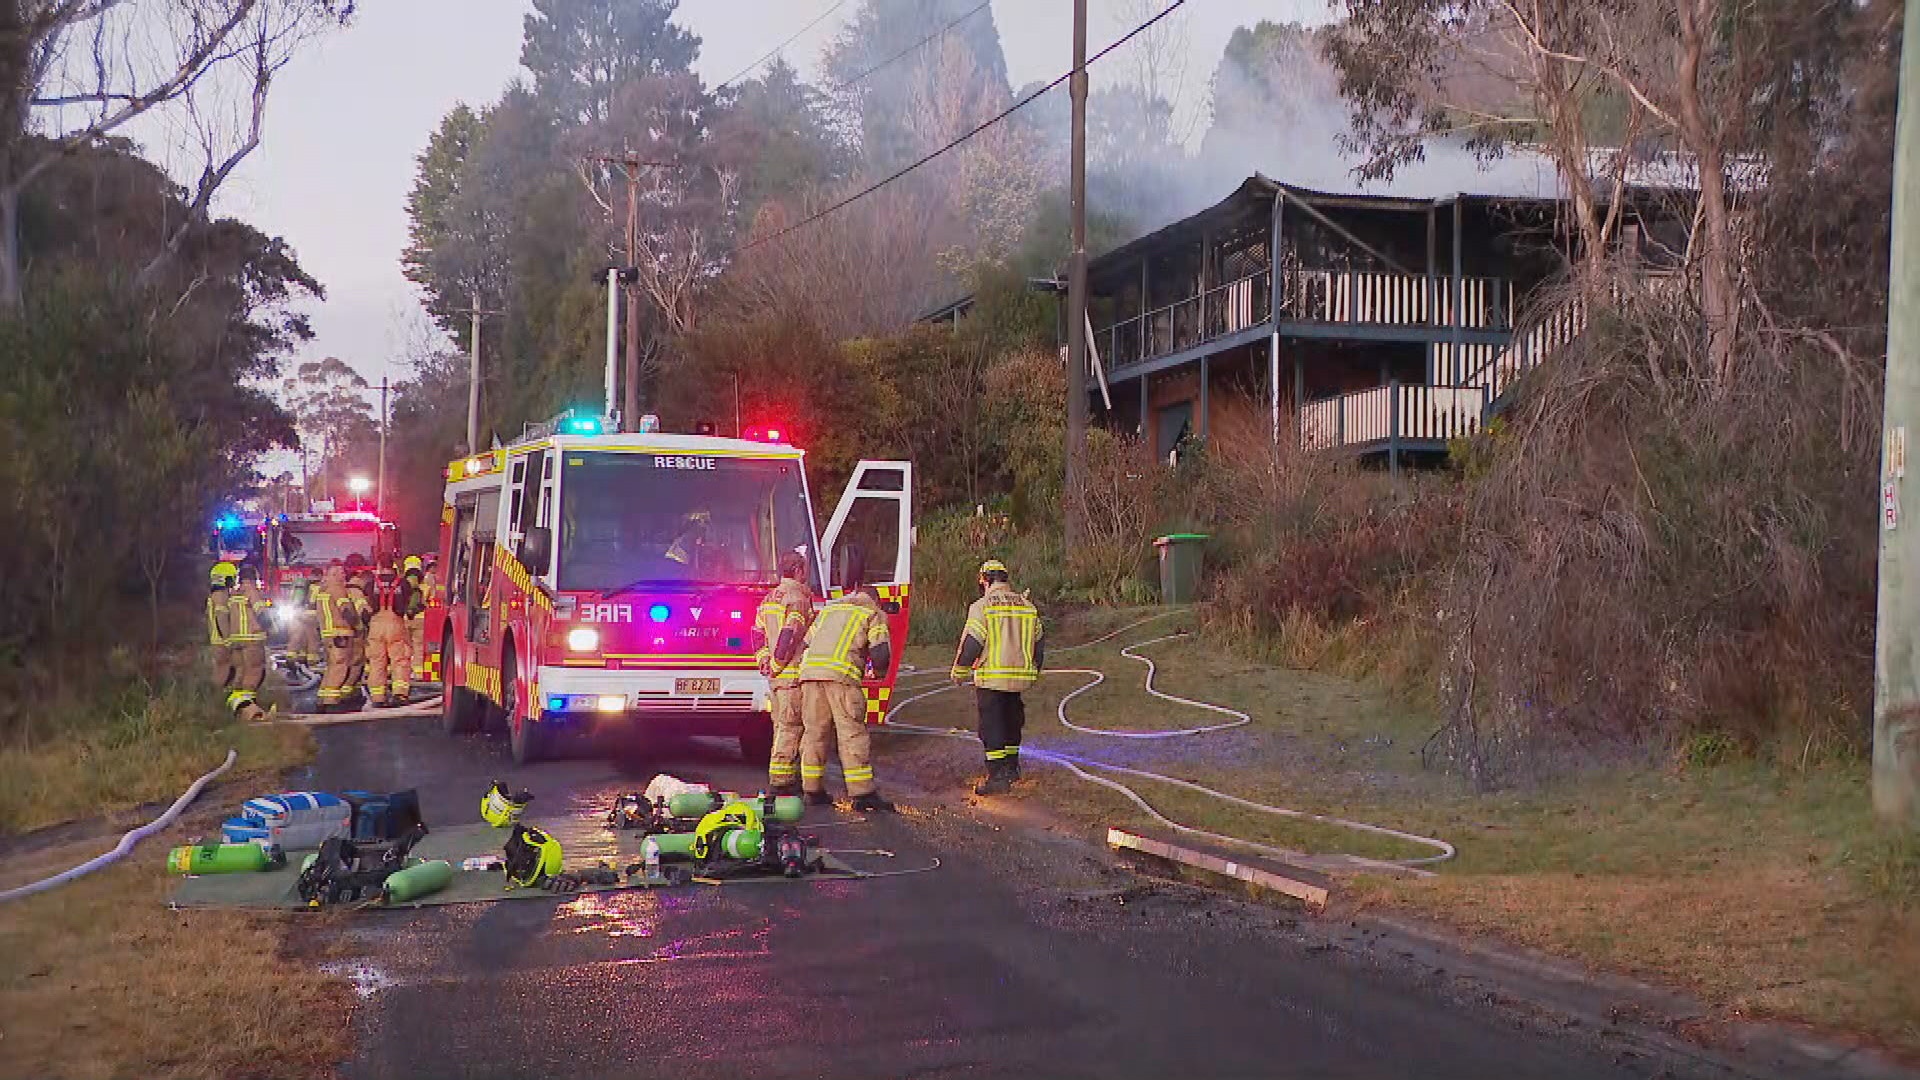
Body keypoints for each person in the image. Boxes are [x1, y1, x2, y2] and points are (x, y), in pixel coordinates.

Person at [796, 583, 895, 812]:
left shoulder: (829, 611)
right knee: (851, 734)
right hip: (841, 677)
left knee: (814, 733)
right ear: (875, 601)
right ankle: (862, 793)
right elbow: (881, 653)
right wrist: (878, 674)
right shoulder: (872, 614)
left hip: (810, 676)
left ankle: (812, 789)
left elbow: (806, 643)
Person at [951, 559, 1045, 796]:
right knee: (1013, 722)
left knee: (991, 727)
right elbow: (1039, 642)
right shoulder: (1027, 606)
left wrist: (959, 671)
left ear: (984, 579)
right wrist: (1034, 669)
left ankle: (996, 776)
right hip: (1018, 679)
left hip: (992, 678)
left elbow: (973, 643)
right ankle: (1012, 768)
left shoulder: (982, 606)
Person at [754, 551, 816, 795]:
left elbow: (757, 632)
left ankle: (782, 773)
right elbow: (790, 633)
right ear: (799, 570)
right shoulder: (797, 597)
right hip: (790, 674)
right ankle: (782, 780)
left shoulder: (770, 597)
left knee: (780, 726)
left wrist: (764, 662)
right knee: (791, 726)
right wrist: (779, 665)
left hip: (776, 677)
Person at [314, 563, 361, 713]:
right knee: (340, 667)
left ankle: (322, 698)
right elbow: (346, 610)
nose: (344, 575)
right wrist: (357, 626)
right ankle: (331, 702)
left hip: (327, 634)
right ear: (332, 575)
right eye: (340, 572)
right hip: (340, 633)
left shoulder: (322, 590)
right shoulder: (337, 589)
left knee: (331, 667)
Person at [227, 566, 272, 707]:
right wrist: (271, 628)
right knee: (254, 671)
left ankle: (235, 706)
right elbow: (262, 614)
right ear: (254, 578)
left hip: (236, 640)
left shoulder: (233, 594)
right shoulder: (252, 591)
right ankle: (249, 707)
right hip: (252, 639)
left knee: (240, 673)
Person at [364, 576, 412, 708]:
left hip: (376, 626)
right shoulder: (403, 583)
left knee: (377, 662)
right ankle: (400, 694)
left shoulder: (370, 583)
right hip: (395, 624)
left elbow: (366, 604)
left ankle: (377, 696)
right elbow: (410, 602)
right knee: (400, 660)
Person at [207, 561, 238, 690]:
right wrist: (228, 641)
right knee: (224, 673)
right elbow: (221, 617)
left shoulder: (212, 596)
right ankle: (217, 702)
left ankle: (215, 701)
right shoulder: (221, 596)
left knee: (221, 673)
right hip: (222, 643)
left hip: (216, 641)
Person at [400, 555, 429, 680]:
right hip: (422, 619)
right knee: (419, 647)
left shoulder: (401, 584)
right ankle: (418, 673)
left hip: (405, 619)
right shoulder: (425, 585)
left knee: (405, 647)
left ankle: (403, 674)